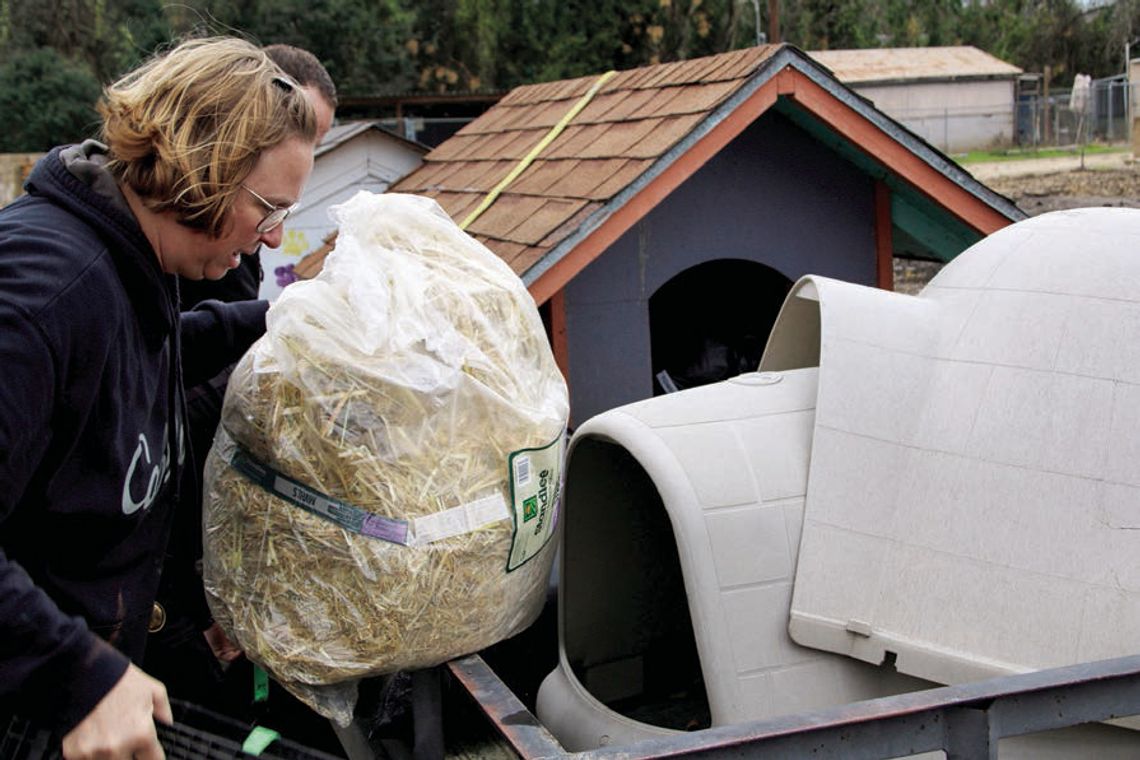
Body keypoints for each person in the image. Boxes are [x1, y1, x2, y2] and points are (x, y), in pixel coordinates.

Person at [0, 36, 317, 759]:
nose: (272, 237)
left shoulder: (135, 265)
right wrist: (76, 675)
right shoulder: (44, 291)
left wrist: (290, 319)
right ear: (205, 166)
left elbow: (151, 353)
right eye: (267, 207)